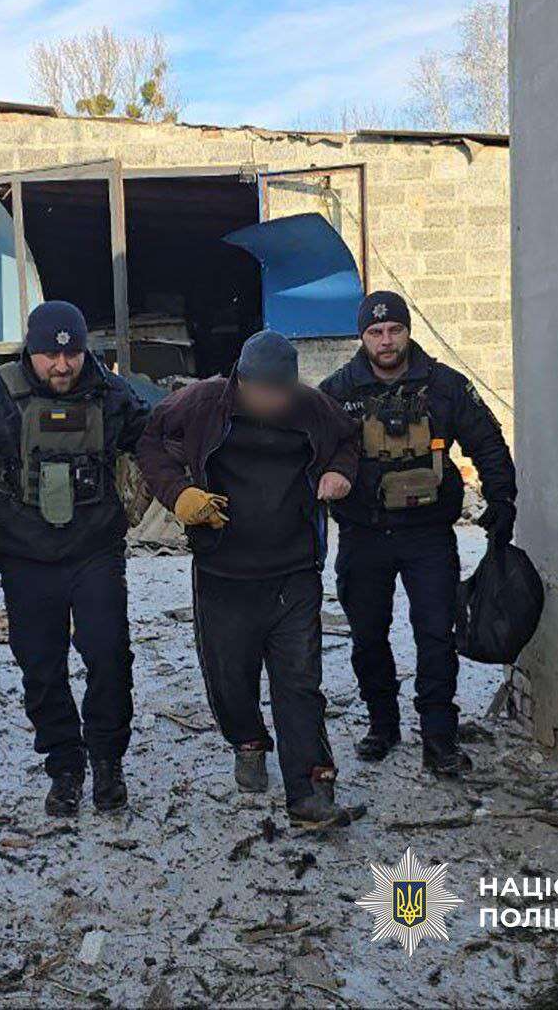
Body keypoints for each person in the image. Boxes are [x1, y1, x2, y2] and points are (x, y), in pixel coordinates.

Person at [0, 301, 151, 817]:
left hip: (94, 547)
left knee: (109, 653)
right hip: (25, 551)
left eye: (72, 354)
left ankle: (107, 761)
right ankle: (65, 766)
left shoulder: (110, 394)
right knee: (41, 664)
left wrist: (186, 490)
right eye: (50, 355)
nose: (62, 366)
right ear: (31, 350)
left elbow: (156, 443)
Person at [137, 330, 360, 829]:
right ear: (240, 380)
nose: (270, 401)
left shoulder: (311, 407)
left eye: (279, 392)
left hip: (293, 570)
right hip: (224, 571)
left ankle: (310, 792)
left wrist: (341, 472)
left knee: (300, 682)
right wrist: (179, 494)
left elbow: (348, 438)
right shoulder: (201, 403)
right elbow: (150, 442)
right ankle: (248, 740)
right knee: (230, 678)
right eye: (260, 390)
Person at [319, 291, 517, 775]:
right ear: (362, 337)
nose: (386, 340)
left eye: (395, 330)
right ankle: (382, 724)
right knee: (368, 635)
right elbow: (306, 452)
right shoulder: (337, 392)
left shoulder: (445, 386)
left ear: (408, 331)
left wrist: (502, 500)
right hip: (364, 533)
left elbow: (487, 442)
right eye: (375, 332)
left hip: (428, 534)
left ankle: (439, 737)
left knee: (436, 634)